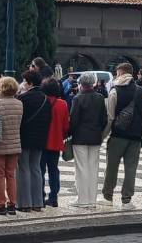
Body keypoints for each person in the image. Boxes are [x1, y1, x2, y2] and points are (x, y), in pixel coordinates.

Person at [103, 63, 142, 206]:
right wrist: (141, 133)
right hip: (135, 137)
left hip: (117, 136)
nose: (116, 76)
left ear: (121, 73)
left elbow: (110, 117)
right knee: (131, 168)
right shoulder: (141, 91)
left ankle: (108, 197)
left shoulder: (114, 91)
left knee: (112, 166)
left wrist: (104, 135)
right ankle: (127, 199)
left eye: (116, 73)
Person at [67, 73, 107, 207]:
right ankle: (92, 200)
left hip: (80, 138)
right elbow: (104, 120)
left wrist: (70, 133)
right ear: (93, 83)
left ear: (81, 84)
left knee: (81, 168)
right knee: (93, 168)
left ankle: (82, 199)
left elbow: (73, 120)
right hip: (95, 137)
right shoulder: (100, 98)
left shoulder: (78, 98)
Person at [14, 70, 50, 213]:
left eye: (24, 81)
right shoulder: (46, 99)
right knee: (36, 169)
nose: (23, 84)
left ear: (29, 83)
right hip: (41, 138)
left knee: (23, 169)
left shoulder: (23, 98)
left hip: (25, 137)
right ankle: (37, 202)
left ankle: (24, 203)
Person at [0, 76, 24, 214]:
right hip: (15, 144)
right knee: (11, 175)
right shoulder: (19, 104)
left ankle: (1, 204)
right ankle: (12, 204)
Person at [40, 77, 68, 208]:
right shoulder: (62, 104)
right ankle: (53, 197)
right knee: (53, 170)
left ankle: (40, 196)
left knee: (39, 170)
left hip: (41, 142)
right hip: (56, 142)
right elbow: (65, 126)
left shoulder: (41, 101)